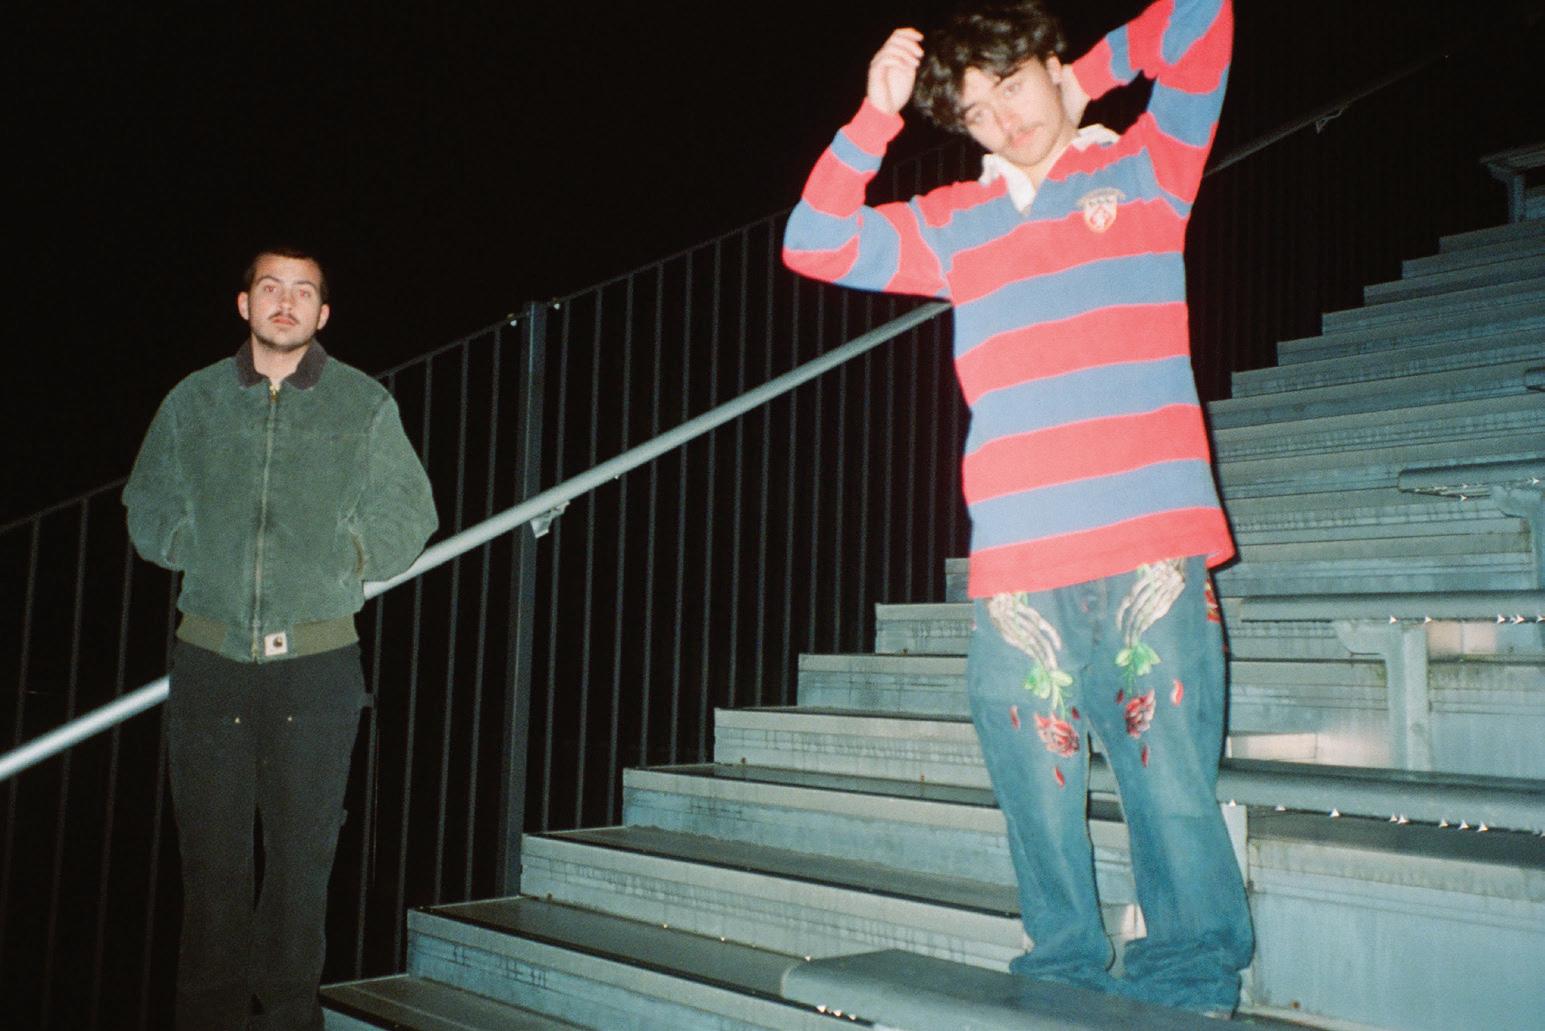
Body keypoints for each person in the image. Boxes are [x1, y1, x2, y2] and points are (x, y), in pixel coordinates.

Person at [783, 0, 1253, 1016]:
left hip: (1151, 548)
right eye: (976, 111)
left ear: (1048, 62)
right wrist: (874, 115)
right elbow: (814, 241)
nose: (1003, 118)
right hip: (1018, 570)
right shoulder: (953, 223)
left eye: (1013, 84)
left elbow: (1203, 19)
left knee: (1170, 787)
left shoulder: (1149, 171)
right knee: (1034, 799)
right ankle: (1063, 970)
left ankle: (1190, 977)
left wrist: (1087, 76)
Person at [123, 247, 438, 1030]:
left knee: (301, 868)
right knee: (212, 872)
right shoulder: (194, 400)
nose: (285, 302)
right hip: (210, 665)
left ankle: (290, 1018)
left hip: (316, 670)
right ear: (245, 304)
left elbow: (410, 510)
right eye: (271, 287)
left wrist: (345, 558)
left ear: (322, 313)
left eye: (303, 291)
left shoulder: (362, 403)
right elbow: (147, 499)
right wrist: (193, 543)